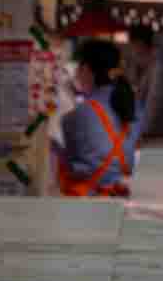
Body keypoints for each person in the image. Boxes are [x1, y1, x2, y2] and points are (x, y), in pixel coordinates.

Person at [56, 39, 137, 196]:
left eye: (78, 67)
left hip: (89, 203)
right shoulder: (131, 107)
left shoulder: (75, 116)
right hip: (124, 196)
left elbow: (67, 162)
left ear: (86, 69)